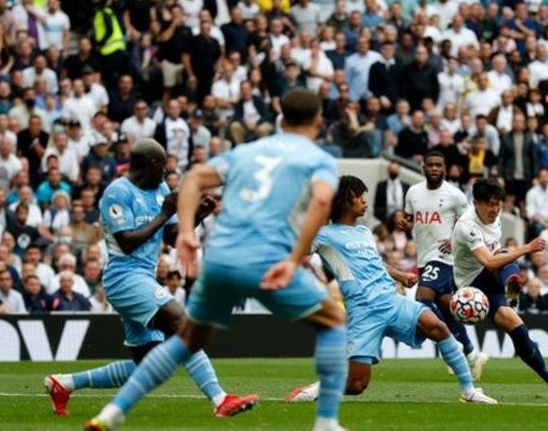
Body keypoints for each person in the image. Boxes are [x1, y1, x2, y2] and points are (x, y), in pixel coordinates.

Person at [85, 89, 348, 431]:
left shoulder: (247, 151)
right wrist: (296, 257)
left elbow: (193, 178)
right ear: (318, 120)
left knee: (186, 341)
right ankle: (326, 422)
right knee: (333, 322)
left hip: (222, 259)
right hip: (266, 258)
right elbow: (322, 204)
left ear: (280, 119)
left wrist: (186, 235)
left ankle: (113, 414)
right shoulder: (319, 159)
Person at [47, 139, 257, 420]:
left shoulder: (159, 189)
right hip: (123, 277)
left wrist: (197, 216)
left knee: (148, 364)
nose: (168, 174)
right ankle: (220, 399)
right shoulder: (117, 192)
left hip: (143, 278)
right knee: (181, 322)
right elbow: (126, 242)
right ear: (152, 165)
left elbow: (169, 236)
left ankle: (65, 384)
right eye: (165, 166)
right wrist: (166, 211)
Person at [286, 175, 497, 405]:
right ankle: (320, 388)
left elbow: (374, 263)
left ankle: (469, 391)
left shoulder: (364, 232)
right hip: (363, 310)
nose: (365, 201)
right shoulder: (324, 236)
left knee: (438, 327)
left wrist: (399, 274)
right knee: (357, 385)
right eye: (359, 196)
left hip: (391, 300)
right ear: (345, 200)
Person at [451, 178, 548, 398]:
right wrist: (526, 248)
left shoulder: (496, 217)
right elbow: (490, 262)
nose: (494, 209)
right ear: (476, 203)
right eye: (489, 204)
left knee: (518, 328)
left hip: (489, 276)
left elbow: (494, 254)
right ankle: (510, 283)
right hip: (471, 284)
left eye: (498, 204)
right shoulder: (467, 226)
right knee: (503, 255)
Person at [397, 151, 487, 378]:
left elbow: (470, 222)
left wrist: (454, 239)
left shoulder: (454, 195)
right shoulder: (413, 192)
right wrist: (403, 222)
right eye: (431, 165)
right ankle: (471, 353)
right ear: (423, 168)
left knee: (422, 299)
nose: (435, 169)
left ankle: (451, 346)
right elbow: (409, 219)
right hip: (423, 257)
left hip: (444, 257)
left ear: (444, 168)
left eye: (439, 165)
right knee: (448, 308)